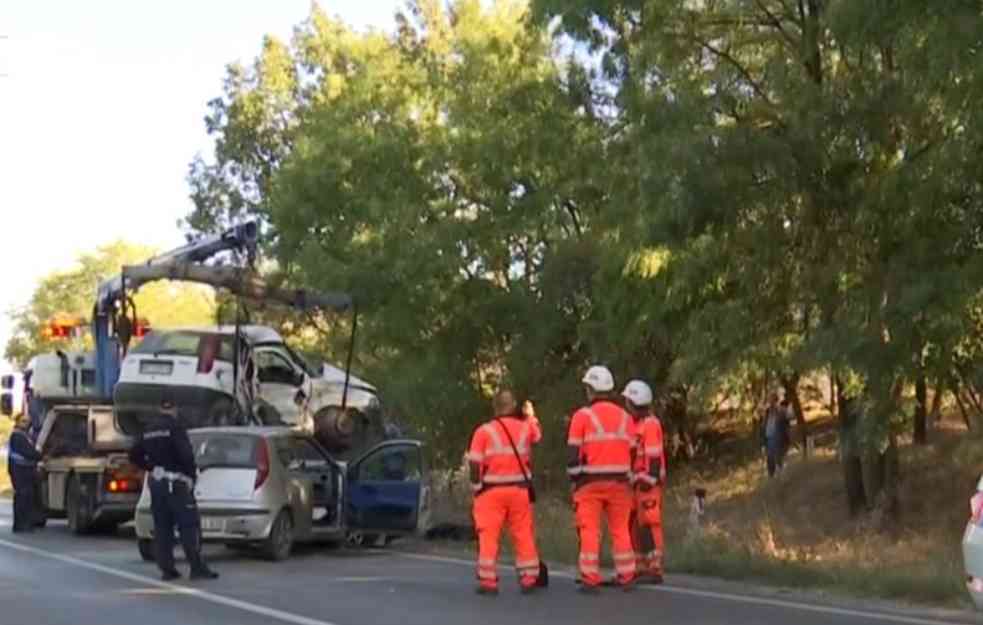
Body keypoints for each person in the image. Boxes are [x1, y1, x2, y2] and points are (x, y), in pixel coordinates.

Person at [128, 400, 218, 581]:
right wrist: (191, 476)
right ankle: (196, 567)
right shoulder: (176, 427)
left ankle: (167, 569)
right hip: (177, 483)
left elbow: (133, 454)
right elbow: (185, 454)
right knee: (188, 525)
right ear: (174, 409)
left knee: (162, 528)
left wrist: (150, 467)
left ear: (159, 408)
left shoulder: (148, 429)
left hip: (157, 483)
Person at [567, 365, 637, 593]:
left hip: (589, 483)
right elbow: (633, 451)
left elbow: (573, 455)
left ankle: (590, 577)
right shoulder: (626, 418)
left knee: (589, 530)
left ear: (590, 389)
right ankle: (627, 575)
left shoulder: (581, 416)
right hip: (620, 483)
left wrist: (574, 479)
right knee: (621, 530)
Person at [467, 389, 542, 595]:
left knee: (488, 536)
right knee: (523, 533)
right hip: (519, 490)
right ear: (513, 405)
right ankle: (528, 577)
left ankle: (488, 580)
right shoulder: (525, 428)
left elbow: (474, 464)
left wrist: (476, 487)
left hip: (490, 492)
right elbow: (537, 435)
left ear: (495, 407)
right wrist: (530, 415)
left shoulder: (483, 431)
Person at [623, 380, 666, 584]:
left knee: (649, 523)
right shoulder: (635, 424)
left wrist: (644, 479)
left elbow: (654, 461)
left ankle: (654, 567)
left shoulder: (650, 424)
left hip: (647, 484)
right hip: (636, 484)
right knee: (634, 524)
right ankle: (640, 565)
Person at [8, 413, 42, 533]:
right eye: (23, 421)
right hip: (19, 471)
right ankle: (20, 525)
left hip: (27, 470)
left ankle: (27, 523)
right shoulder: (17, 436)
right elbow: (27, 452)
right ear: (17, 422)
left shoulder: (26, 435)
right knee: (23, 496)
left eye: (27, 421)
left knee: (28, 497)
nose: (26, 423)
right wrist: (40, 456)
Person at [761, 393, 790, 477]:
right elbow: (763, 427)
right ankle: (772, 477)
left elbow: (787, 424)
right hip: (769, 438)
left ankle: (781, 476)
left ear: (776, 401)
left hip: (778, 438)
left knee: (778, 458)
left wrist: (787, 439)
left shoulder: (781, 411)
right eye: (769, 401)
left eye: (772, 401)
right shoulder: (767, 412)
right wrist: (763, 442)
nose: (771, 403)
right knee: (770, 459)